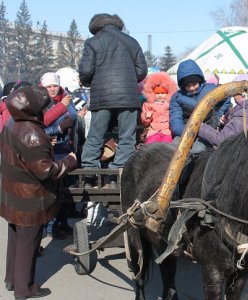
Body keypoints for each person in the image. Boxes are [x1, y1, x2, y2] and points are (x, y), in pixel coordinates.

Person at [0, 86, 77, 299]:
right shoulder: (32, 133)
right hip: (30, 197)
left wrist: (44, 147)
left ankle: (12, 280)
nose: (45, 109)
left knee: (16, 238)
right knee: (29, 243)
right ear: (33, 109)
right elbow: (47, 172)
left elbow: (20, 155)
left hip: (13, 193)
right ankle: (25, 289)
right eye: (43, 107)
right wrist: (70, 160)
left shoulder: (11, 123)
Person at [78, 13, 147, 187]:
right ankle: (119, 173)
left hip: (103, 97)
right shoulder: (132, 42)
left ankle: (89, 174)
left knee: (95, 135)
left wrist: (89, 81)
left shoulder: (93, 42)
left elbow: (85, 71)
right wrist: (127, 80)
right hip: (129, 98)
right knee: (127, 137)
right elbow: (141, 72)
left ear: (97, 29)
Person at [40, 72, 78, 240]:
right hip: (50, 152)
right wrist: (59, 129)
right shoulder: (40, 104)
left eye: (55, 85)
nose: (52, 89)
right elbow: (38, 128)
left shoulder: (66, 99)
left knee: (66, 190)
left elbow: (74, 118)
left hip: (66, 149)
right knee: (53, 191)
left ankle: (62, 222)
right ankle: (50, 226)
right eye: (49, 86)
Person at [169, 59, 229, 153]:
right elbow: (175, 120)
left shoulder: (211, 90)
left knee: (197, 150)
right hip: (186, 130)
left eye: (194, 84)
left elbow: (227, 97)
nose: (192, 88)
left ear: (200, 81)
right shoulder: (177, 97)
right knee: (174, 149)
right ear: (182, 85)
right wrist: (188, 132)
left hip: (207, 129)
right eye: (188, 86)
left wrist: (217, 116)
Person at [197, 74, 248, 147]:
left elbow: (221, 139)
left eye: (234, 94)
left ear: (242, 94)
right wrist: (230, 122)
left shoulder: (247, 112)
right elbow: (243, 129)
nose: (233, 97)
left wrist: (201, 127)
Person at [141, 72, 177, 144]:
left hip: (167, 131)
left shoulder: (170, 104)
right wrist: (147, 117)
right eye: (157, 93)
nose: (160, 95)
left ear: (168, 93)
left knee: (167, 146)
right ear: (151, 93)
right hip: (153, 131)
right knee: (150, 145)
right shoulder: (148, 105)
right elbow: (144, 123)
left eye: (163, 93)